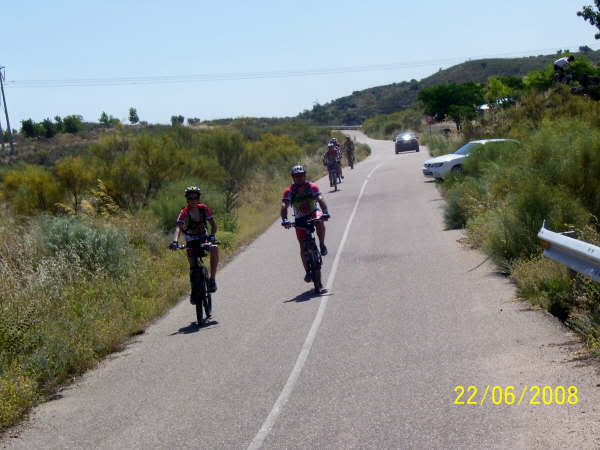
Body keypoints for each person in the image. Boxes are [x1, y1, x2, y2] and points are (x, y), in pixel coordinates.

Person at [281, 165, 330, 283]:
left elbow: (320, 198)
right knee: (302, 247)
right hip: (300, 219)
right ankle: (308, 272)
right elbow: (284, 205)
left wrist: (325, 212)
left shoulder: (312, 187)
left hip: (313, 213)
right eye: (296, 176)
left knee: (320, 221)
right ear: (293, 178)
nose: (299, 178)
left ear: (305, 175)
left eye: (301, 175)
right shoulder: (289, 191)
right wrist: (285, 219)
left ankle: (322, 244)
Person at [169, 186, 219, 293]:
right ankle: (194, 292)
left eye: (195, 198)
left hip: (203, 237)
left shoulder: (204, 208)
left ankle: (212, 280)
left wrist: (212, 235)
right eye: (191, 198)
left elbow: (214, 225)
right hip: (190, 240)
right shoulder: (184, 212)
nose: (193, 200)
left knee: (214, 248)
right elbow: (178, 227)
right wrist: (175, 241)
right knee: (192, 268)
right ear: (187, 199)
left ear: (199, 199)